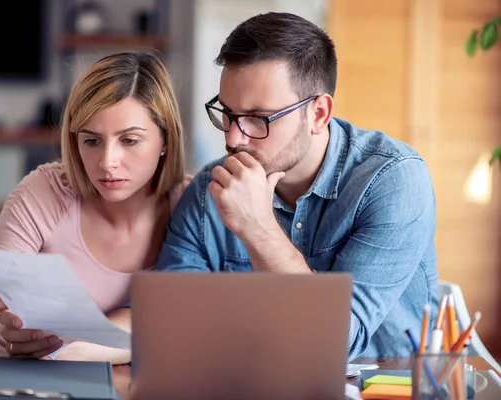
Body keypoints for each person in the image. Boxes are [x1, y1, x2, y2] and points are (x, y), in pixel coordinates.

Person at [154, 12, 438, 360]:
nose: (232, 137)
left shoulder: (393, 181)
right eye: (227, 113)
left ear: (318, 114)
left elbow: (333, 343)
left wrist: (257, 228)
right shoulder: (208, 191)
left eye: (257, 119)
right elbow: (168, 321)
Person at [0, 52, 188, 363]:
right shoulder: (44, 195)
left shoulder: (191, 206)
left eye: (129, 140)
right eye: (91, 141)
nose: (107, 162)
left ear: (165, 139)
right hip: (6, 380)